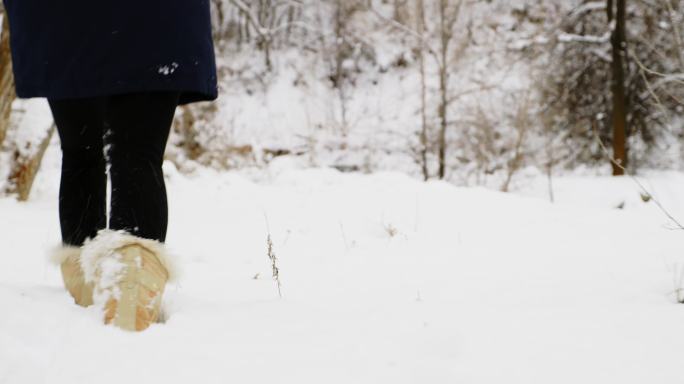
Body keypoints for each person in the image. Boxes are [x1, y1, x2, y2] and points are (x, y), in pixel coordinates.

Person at [2, 0, 218, 331]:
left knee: (81, 153)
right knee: (138, 151)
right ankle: (129, 300)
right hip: (157, 17)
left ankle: (87, 290)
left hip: (63, 19)